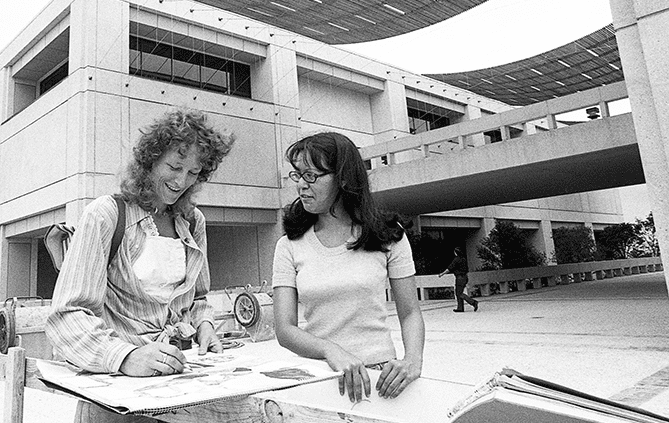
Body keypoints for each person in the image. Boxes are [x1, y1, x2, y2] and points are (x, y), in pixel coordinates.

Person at [46, 109, 234, 423]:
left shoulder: (192, 221)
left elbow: (197, 299)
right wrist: (126, 356)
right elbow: (67, 315)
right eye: (174, 166)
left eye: (193, 172)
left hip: (179, 389)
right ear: (150, 160)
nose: (180, 181)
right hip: (116, 396)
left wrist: (204, 326)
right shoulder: (106, 214)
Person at [272, 132, 425, 403]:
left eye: (311, 176)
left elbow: (410, 312)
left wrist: (412, 360)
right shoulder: (289, 245)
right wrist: (330, 350)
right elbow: (285, 329)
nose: (301, 186)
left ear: (343, 178)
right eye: (298, 175)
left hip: (382, 381)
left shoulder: (388, 235)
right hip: (320, 378)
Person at [438, 247, 479, 312]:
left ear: (456, 253)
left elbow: (449, 268)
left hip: (460, 278)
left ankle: (473, 302)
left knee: (459, 293)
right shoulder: (463, 259)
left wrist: (442, 274)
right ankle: (460, 308)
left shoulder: (456, 260)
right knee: (459, 293)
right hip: (465, 277)